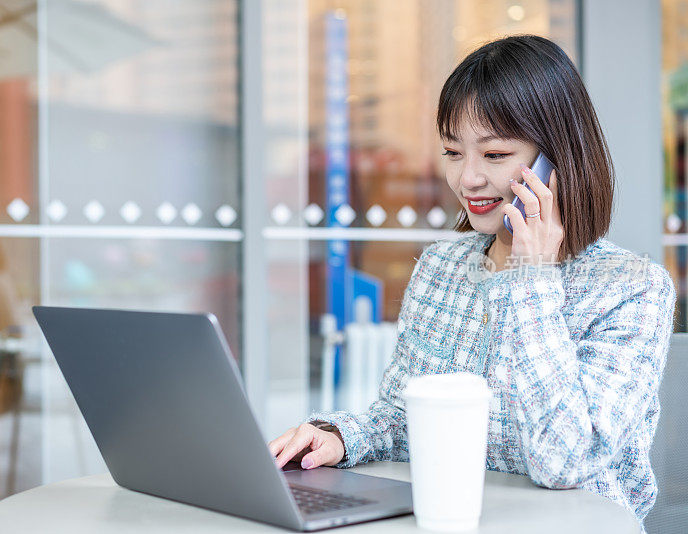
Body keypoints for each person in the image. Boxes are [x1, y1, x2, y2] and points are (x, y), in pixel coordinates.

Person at [268, 34, 676, 531]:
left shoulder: (633, 288)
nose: (468, 179)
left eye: (495, 154)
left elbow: (567, 461)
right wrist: (340, 436)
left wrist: (532, 277)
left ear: (557, 160)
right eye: (453, 152)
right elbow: (404, 418)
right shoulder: (442, 267)